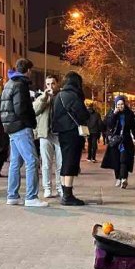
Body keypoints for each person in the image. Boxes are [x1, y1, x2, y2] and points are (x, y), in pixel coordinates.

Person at [0, 58, 47, 207]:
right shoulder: (20, 85)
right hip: (20, 127)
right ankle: (31, 197)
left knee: (15, 162)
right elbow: (21, 109)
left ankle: (12, 195)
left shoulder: (9, 83)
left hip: (11, 127)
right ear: (28, 70)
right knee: (32, 161)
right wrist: (31, 122)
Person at [50, 71, 91, 206]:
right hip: (72, 133)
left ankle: (65, 192)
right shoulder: (73, 96)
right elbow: (83, 114)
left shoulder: (59, 96)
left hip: (62, 133)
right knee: (71, 162)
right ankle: (68, 195)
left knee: (65, 161)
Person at [33, 76, 63, 199]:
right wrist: (44, 98)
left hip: (59, 135)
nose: (50, 86)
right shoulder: (42, 97)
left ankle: (60, 188)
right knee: (46, 164)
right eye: (48, 84)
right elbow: (35, 111)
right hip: (45, 134)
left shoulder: (61, 97)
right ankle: (47, 188)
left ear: (57, 84)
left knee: (61, 164)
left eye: (53, 83)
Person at [102, 95, 135, 189]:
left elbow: (133, 128)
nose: (120, 106)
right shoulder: (112, 113)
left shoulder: (129, 114)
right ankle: (118, 178)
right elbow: (108, 125)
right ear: (115, 105)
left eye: (122, 104)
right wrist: (114, 114)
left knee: (124, 160)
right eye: (118, 104)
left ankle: (124, 178)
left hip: (126, 140)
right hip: (115, 141)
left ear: (124, 104)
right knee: (116, 160)